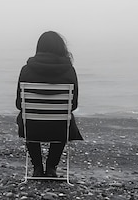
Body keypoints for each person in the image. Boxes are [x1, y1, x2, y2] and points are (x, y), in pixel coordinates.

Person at [15, 31, 83, 178]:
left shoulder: (26, 70)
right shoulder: (69, 70)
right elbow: (74, 105)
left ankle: (38, 168)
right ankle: (51, 167)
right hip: (59, 128)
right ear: (61, 48)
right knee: (66, 120)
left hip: (32, 127)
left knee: (26, 118)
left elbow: (19, 104)